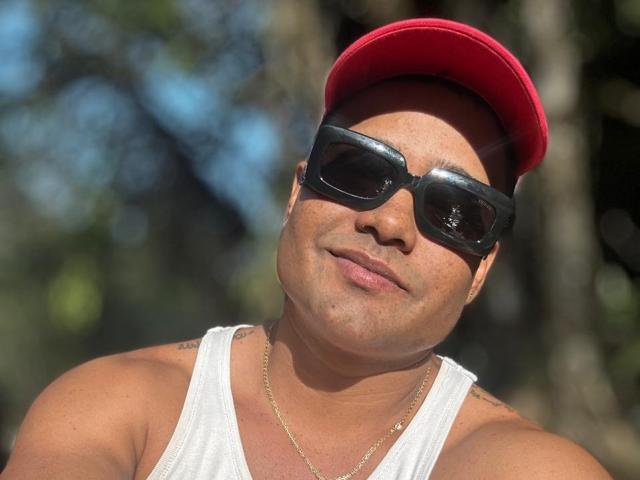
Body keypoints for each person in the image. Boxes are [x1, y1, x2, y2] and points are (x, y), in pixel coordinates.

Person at [1, 18, 612, 480]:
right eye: (360, 170)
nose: (390, 223)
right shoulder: (115, 412)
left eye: (454, 210)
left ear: (481, 270)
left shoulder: (531, 468)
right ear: (297, 192)